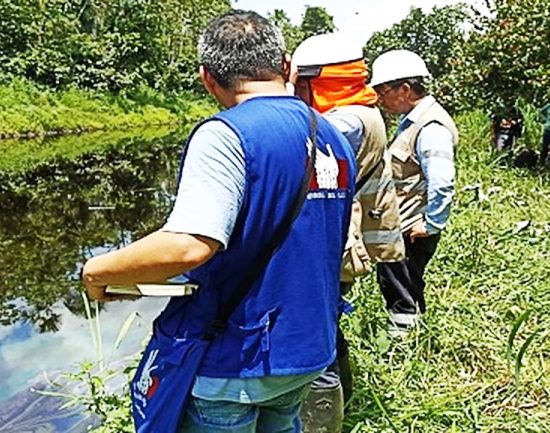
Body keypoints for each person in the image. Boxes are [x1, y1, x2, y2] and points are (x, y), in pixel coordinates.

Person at [81, 10, 356, 433]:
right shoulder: (331, 135)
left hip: (236, 358)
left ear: (208, 78)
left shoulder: (225, 134)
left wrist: (98, 269)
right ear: (285, 67)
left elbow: (190, 245)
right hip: (308, 349)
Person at [290, 32, 405, 429]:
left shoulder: (346, 121)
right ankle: (344, 401)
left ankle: (324, 420)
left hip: (333, 248)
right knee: (328, 326)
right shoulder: (362, 110)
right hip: (342, 244)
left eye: (303, 84)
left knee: (315, 334)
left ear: (321, 81)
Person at [369, 50, 459, 337]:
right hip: (402, 224)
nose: (380, 98)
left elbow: (442, 180)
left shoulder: (430, 126)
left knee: (401, 289)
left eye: (384, 91)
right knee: (404, 284)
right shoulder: (411, 121)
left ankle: (401, 350)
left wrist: (430, 223)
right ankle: (414, 337)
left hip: (411, 228)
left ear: (405, 89)